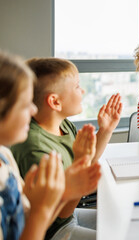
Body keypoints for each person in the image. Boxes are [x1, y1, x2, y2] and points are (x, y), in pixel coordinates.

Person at [11, 57, 120, 240]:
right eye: (77, 86)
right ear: (55, 102)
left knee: (124, 221)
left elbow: (88, 159)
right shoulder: (35, 149)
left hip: (68, 216)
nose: (83, 90)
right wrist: (80, 167)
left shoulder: (63, 125)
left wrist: (106, 130)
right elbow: (56, 212)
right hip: (52, 230)